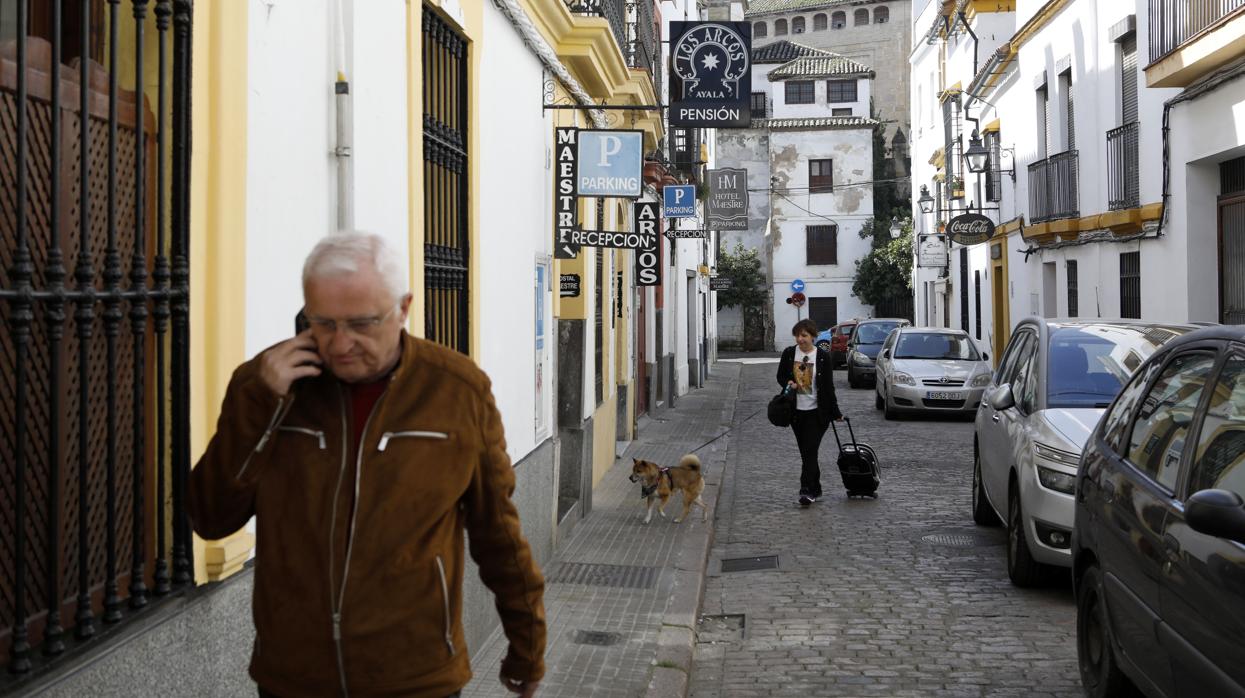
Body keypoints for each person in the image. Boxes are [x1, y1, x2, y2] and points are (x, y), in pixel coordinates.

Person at [188, 232, 545, 698]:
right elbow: (210, 517)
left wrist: (528, 643)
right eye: (322, 323)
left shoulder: (457, 391)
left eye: (361, 323)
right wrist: (259, 405)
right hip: (294, 679)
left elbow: (498, 533)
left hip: (417, 678)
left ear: (404, 308)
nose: (340, 343)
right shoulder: (265, 387)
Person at [776, 319, 843, 506]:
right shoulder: (789, 354)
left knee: (809, 450)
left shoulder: (822, 356)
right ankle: (816, 488)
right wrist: (789, 382)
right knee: (807, 453)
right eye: (797, 335)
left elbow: (828, 387)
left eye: (804, 335)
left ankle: (806, 490)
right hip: (796, 412)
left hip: (817, 413)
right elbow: (780, 376)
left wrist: (836, 412)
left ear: (813, 336)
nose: (800, 339)